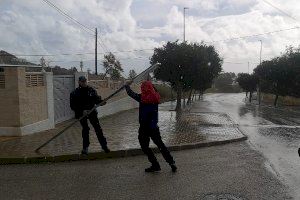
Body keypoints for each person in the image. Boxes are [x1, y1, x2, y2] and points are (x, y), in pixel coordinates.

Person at [125, 81, 177, 172]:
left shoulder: (142, 97)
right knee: (161, 145)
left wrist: (127, 85)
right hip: (153, 126)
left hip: (144, 127)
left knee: (144, 146)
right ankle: (171, 162)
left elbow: (130, 93)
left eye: (142, 87)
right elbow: (154, 90)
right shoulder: (156, 96)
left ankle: (155, 164)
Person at [70, 76, 110, 155]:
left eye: (85, 81)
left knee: (98, 129)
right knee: (85, 130)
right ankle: (85, 148)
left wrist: (102, 102)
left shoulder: (91, 90)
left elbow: (97, 100)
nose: (84, 82)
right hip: (81, 114)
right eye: (82, 81)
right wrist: (82, 111)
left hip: (92, 113)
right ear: (79, 82)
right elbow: (73, 106)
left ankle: (104, 146)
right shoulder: (74, 93)